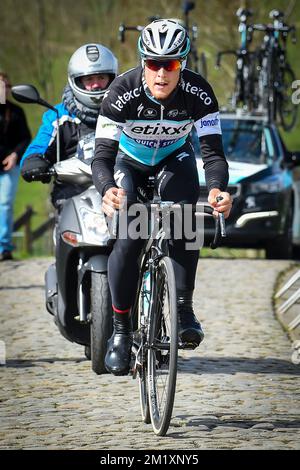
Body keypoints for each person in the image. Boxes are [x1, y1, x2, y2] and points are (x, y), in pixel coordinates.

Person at [91, 19, 232, 376]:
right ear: (142, 62)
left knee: (184, 218)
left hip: (174, 159)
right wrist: (107, 189)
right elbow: (103, 155)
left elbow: (213, 153)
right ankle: (121, 333)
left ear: (182, 64)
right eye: (153, 63)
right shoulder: (120, 92)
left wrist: (216, 188)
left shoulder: (199, 93)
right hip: (130, 162)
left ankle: (183, 309)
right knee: (131, 234)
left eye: (170, 64)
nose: (161, 73)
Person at [20, 43, 118, 209]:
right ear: (77, 81)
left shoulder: (127, 112)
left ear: (113, 78)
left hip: (118, 191)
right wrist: (33, 161)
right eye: (89, 79)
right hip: (72, 195)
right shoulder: (58, 116)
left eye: (101, 78)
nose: (96, 85)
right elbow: (38, 146)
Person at [0, 72, 31, 261]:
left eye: (4, 86)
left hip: (8, 167)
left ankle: (4, 247)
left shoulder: (17, 112)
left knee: (5, 205)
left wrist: (15, 155)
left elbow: (26, 138)